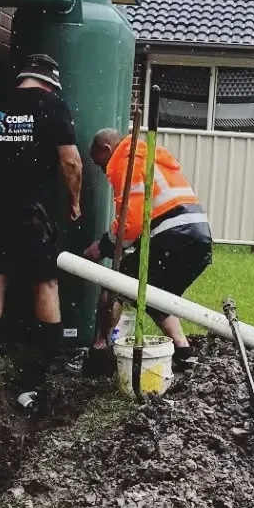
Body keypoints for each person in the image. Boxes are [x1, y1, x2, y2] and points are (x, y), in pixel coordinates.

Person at [0, 53, 84, 373]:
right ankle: (49, 356)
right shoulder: (53, 107)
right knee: (45, 282)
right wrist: (75, 201)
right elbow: (71, 162)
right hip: (33, 211)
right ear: (51, 84)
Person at [84, 127, 212, 374]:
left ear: (107, 150)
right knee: (154, 294)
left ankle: (100, 350)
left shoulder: (125, 162)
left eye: (100, 164)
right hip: (198, 239)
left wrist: (103, 246)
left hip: (174, 235)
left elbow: (129, 223)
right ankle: (184, 353)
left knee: (116, 284)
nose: (103, 172)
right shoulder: (150, 155)